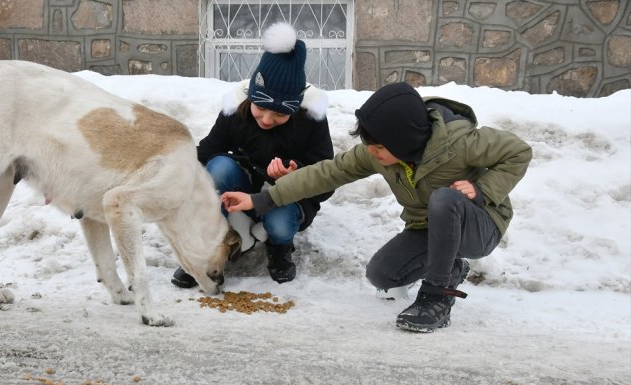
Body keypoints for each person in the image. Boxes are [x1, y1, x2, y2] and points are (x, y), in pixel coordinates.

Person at [220, 82, 532, 332]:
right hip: (429, 229)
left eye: (379, 147)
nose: (372, 152)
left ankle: (437, 296)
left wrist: (482, 190)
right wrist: (260, 200)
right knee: (382, 275)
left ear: (405, 140)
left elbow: (519, 151)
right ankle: (450, 268)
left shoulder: (460, 143)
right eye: (370, 145)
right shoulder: (377, 151)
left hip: (480, 225)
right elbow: (325, 173)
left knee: (444, 198)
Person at [170, 22, 334, 288]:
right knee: (219, 167)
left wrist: (296, 175)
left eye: (280, 114)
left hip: (283, 199)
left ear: (294, 110)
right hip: (241, 187)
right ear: (251, 97)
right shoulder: (236, 110)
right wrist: (174, 168)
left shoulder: (311, 120)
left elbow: (327, 181)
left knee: (280, 224)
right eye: (260, 108)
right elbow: (208, 151)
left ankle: (280, 247)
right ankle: (208, 248)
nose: (267, 120)